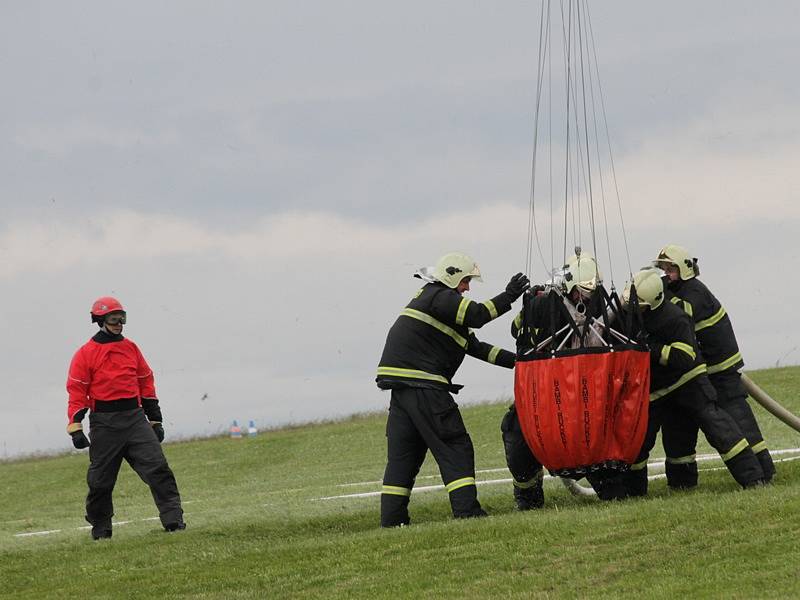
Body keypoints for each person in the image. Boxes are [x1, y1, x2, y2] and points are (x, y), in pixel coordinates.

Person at [376, 252, 529, 527]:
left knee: (403, 457)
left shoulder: (433, 304)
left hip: (402, 391)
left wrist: (521, 362)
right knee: (455, 446)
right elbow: (478, 315)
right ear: (452, 276)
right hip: (425, 386)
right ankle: (467, 512)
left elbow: (476, 347)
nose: (467, 288)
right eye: (466, 281)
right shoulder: (440, 295)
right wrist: (510, 295)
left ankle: (392, 520)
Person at [619, 269, 765, 496]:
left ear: (655, 302)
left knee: (718, 428)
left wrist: (653, 350)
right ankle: (641, 490)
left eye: (639, 305)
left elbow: (686, 356)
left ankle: (753, 478)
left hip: (688, 382)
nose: (632, 309)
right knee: (643, 439)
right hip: (656, 390)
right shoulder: (631, 314)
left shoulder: (674, 318)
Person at [504, 252, 624, 506]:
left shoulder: (603, 305)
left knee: (597, 436)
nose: (587, 296)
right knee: (517, 433)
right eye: (582, 290)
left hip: (586, 393)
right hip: (546, 390)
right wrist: (535, 303)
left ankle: (613, 488)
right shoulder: (544, 305)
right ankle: (528, 497)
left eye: (591, 290)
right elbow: (518, 330)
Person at [653, 245, 775, 487]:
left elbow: (681, 315)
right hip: (702, 373)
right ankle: (681, 482)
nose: (666, 274)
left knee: (738, 421)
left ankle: (764, 470)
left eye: (671, 269)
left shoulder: (694, 293)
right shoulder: (677, 289)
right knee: (680, 425)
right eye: (664, 269)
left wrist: (658, 296)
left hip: (721, 371)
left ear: (685, 269)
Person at [66, 296, 185, 539]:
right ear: (99, 320)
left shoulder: (131, 348)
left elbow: (145, 382)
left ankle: (174, 521)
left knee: (159, 470)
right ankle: (101, 529)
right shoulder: (85, 353)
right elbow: (77, 390)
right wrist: (75, 427)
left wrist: (155, 420)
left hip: (135, 420)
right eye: (113, 318)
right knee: (100, 482)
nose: (119, 323)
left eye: (122, 318)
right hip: (104, 424)